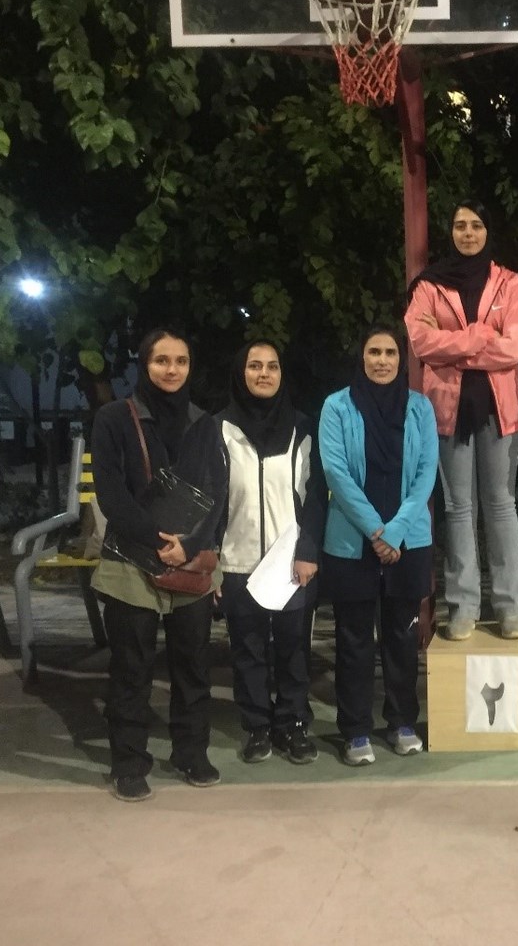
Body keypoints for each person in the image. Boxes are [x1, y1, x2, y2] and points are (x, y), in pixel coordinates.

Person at [89, 328, 226, 802]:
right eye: (161, 360)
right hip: (131, 560)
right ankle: (129, 763)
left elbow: (218, 493)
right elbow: (111, 493)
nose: (172, 370)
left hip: (188, 561)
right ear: (144, 364)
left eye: (181, 361)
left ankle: (191, 753)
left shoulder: (203, 423)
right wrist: (156, 541)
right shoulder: (114, 419)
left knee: (193, 666)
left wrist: (191, 546)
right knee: (131, 668)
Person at [405, 199, 518, 641]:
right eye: (460, 225)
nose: (468, 233)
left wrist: (453, 345)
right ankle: (463, 607)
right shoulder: (429, 285)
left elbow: (513, 349)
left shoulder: (510, 283)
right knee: (458, 509)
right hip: (446, 409)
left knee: (501, 506)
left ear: (487, 231)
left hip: (500, 410)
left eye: (476, 225)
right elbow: (421, 343)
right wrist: (480, 336)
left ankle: (510, 608)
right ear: (451, 232)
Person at [319, 328, 438, 766]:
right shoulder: (336, 406)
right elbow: (335, 472)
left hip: (408, 542)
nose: (382, 360)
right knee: (353, 642)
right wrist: (376, 530)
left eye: (390, 352)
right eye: (374, 352)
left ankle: (402, 722)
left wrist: (396, 531)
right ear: (362, 356)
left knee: (402, 639)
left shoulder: (420, 408)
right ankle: (355, 730)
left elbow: (426, 472)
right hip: (352, 543)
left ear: (401, 360)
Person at [216, 341, 326, 766]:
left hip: (291, 562)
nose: (264, 373)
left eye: (272, 366)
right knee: (247, 650)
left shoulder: (302, 427)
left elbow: (315, 497)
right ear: (240, 372)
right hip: (237, 560)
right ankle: (257, 726)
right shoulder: (220, 428)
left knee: (294, 648)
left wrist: (308, 550)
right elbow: (211, 500)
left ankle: (293, 723)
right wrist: (212, 560)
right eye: (255, 366)